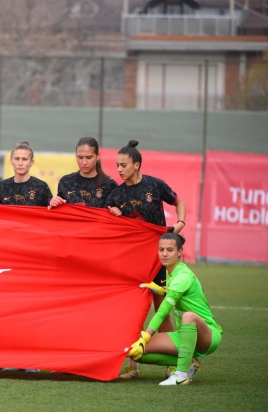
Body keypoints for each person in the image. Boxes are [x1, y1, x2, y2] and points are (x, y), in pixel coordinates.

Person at [105, 140, 187, 379]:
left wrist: (179, 224)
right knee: (133, 311)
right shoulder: (117, 193)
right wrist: (115, 214)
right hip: (133, 260)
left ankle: (173, 363)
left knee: (161, 308)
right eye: (117, 165)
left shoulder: (155, 185)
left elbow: (179, 202)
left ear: (136, 165)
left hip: (159, 258)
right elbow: (105, 224)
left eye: (124, 165)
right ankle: (133, 366)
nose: (119, 169)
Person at [126, 233, 221, 386]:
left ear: (179, 252)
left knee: (188, 317)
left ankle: (181, 376)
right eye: (161, 249)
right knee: (136, 352)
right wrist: (160, 290)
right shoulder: (170, 271)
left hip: (207, 335)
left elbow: (164, 310)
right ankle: (189, 361)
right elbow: (173, 292)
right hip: (183, 336)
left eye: (170, 250)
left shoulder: (182, 275)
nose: (164, 254)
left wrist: (145, 338)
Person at [49, 136, 118, 209]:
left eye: (89, 157)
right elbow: (58, 212)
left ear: (97, 156)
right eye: (80, 157)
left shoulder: (110, 186)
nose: (84, 162)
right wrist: (53, 204)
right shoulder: (66, 182)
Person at [0, 141, 52, 207]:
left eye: (24, 159)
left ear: (31, 162)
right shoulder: (2, 186)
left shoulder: (41, 186)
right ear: (11, 161)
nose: (20, 163)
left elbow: (51, 211)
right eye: (17, 159)